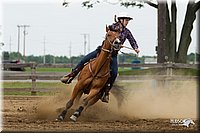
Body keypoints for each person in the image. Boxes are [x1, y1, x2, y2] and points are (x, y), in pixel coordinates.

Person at [61, 12, 140, 103]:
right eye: (126, 20)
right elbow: (110, 35)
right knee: (84, 60)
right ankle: (71, 76)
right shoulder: (113, 27)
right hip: (102, 51)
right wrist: (116, 41)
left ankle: (106, 92)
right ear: (121, 20)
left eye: (128, 20)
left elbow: (132, 40)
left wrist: (136, 48)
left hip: (113, 55)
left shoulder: (127, 32)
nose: (127, 22)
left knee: (114, 73)